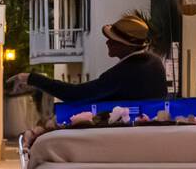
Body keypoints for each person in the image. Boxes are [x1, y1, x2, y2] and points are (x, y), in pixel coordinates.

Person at [9, 12, 166, 103]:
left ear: (127, 46)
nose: (107, 42)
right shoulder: (155, 63)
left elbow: (76, 94)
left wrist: (31, 78)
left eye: (113, 40)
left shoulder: (124, 72)